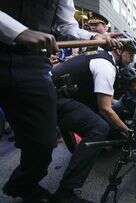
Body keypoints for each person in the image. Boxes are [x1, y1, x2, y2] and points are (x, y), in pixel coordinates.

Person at [0, 0, 120, 202]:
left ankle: (22, 185)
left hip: (32, 64)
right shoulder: (105, 66)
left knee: (44, 143)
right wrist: (18, 32)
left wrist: (93, 37)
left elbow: (65, 25)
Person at [51, 42, 136, 202]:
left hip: (57, 95)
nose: (131, 59)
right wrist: (127, 131)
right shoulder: (106, 65)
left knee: (101, 117)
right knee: (98, 128)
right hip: (54, 99)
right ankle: (65, 192)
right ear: (118, 49)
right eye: (130, 54)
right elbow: (105, 109)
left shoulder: (98, 56)